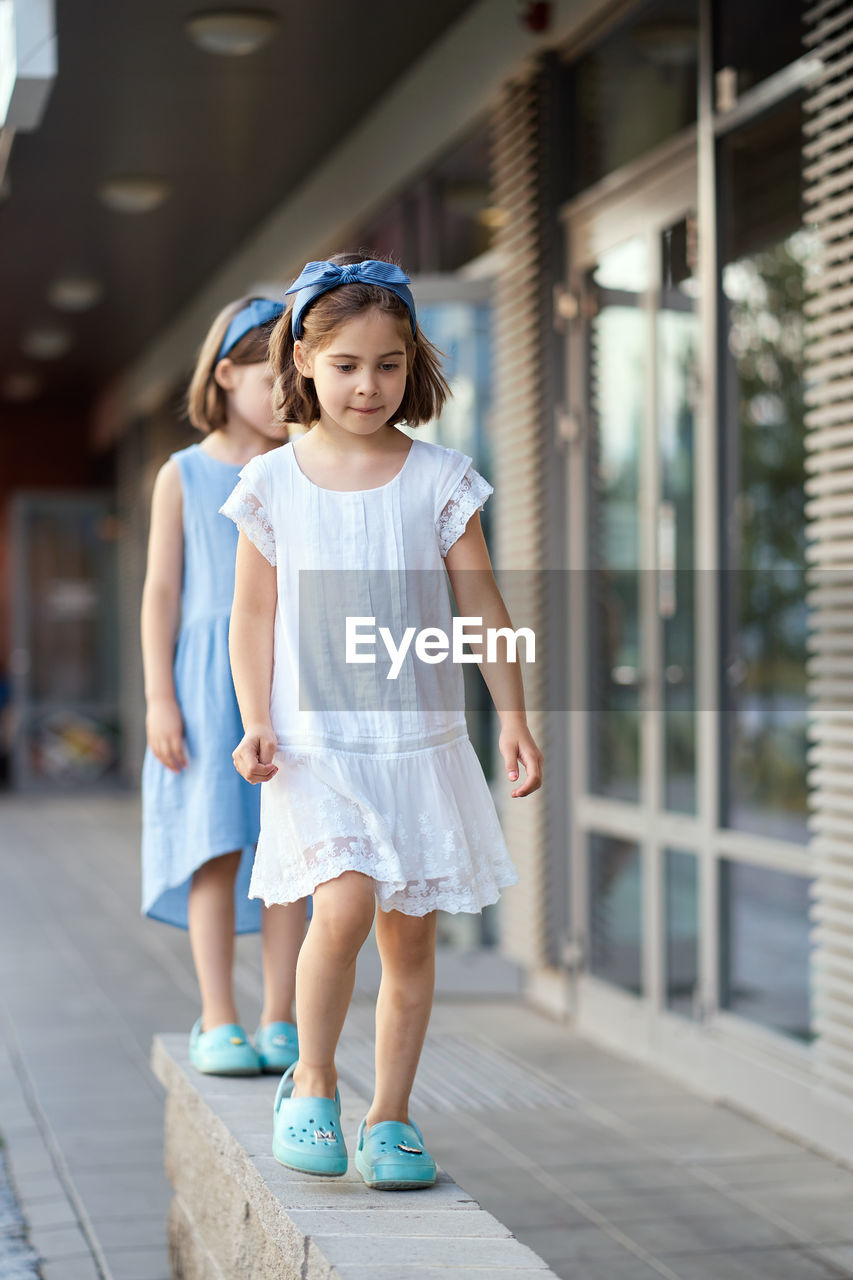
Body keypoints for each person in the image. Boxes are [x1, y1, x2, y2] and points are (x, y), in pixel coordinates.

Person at [221, 254, 543, 1189]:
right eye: (348, 364)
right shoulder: (271, 483)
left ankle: (391, 1116)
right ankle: (312, 1080)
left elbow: (483, 605)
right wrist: (253, 720)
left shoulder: (440, 477)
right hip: (315, 747)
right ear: (305, 364)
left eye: (389, 364)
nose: (369, 384)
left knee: (410, 940)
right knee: (347, 904)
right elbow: (252, 617)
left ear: (413, 367)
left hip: (419, 744)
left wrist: (514, 715)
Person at [140, 297, 307, 1077]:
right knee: (214, 848)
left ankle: (282, 1018)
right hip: (206, 682)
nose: (286, 391)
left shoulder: (299, 467)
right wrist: (158, 698)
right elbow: (161, 594)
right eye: (272, 375)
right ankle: (217, 1018)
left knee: (291, 850)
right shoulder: (181, 474)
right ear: (227, 373)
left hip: (288, 676)